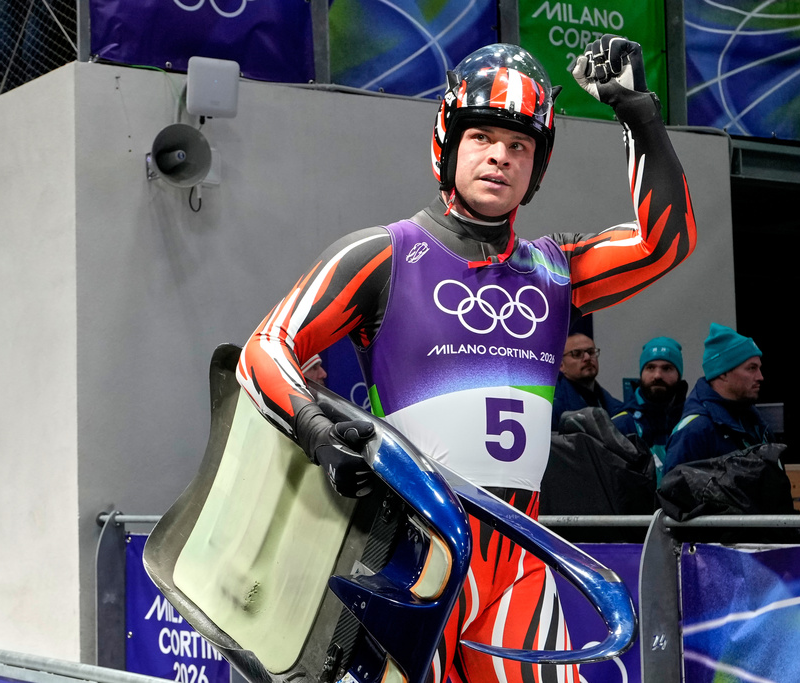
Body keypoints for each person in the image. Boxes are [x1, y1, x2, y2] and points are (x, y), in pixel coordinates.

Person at [236, 36, 697, 683]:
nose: (500, 156)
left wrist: (638, 113)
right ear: (448, 144)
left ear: (537, 167)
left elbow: (664, 240)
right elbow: (264, 347)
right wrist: (315, 432)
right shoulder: (381, 254)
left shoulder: (554, 269)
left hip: (520, 559)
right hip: (407, 552)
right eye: (483, 137)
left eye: (520, 145)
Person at [663, 323, 769, 472]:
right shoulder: (694, 432)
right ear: (722, 373)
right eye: (751, 368)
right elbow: (675, 493)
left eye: (759, 368)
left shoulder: (754, 422)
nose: (760, 377)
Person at [612, 336, 688, 481]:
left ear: (679, 374)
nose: (658, 375)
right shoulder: (622, 424)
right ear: (641, 373)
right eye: (650, 368)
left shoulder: (689, 422)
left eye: (667, 368)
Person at [551, 332, 622, 429]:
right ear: (561, 365)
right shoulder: (552, 406)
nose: (587, 358)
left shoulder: (616, 408)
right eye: (577, 354)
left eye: (591, 352)